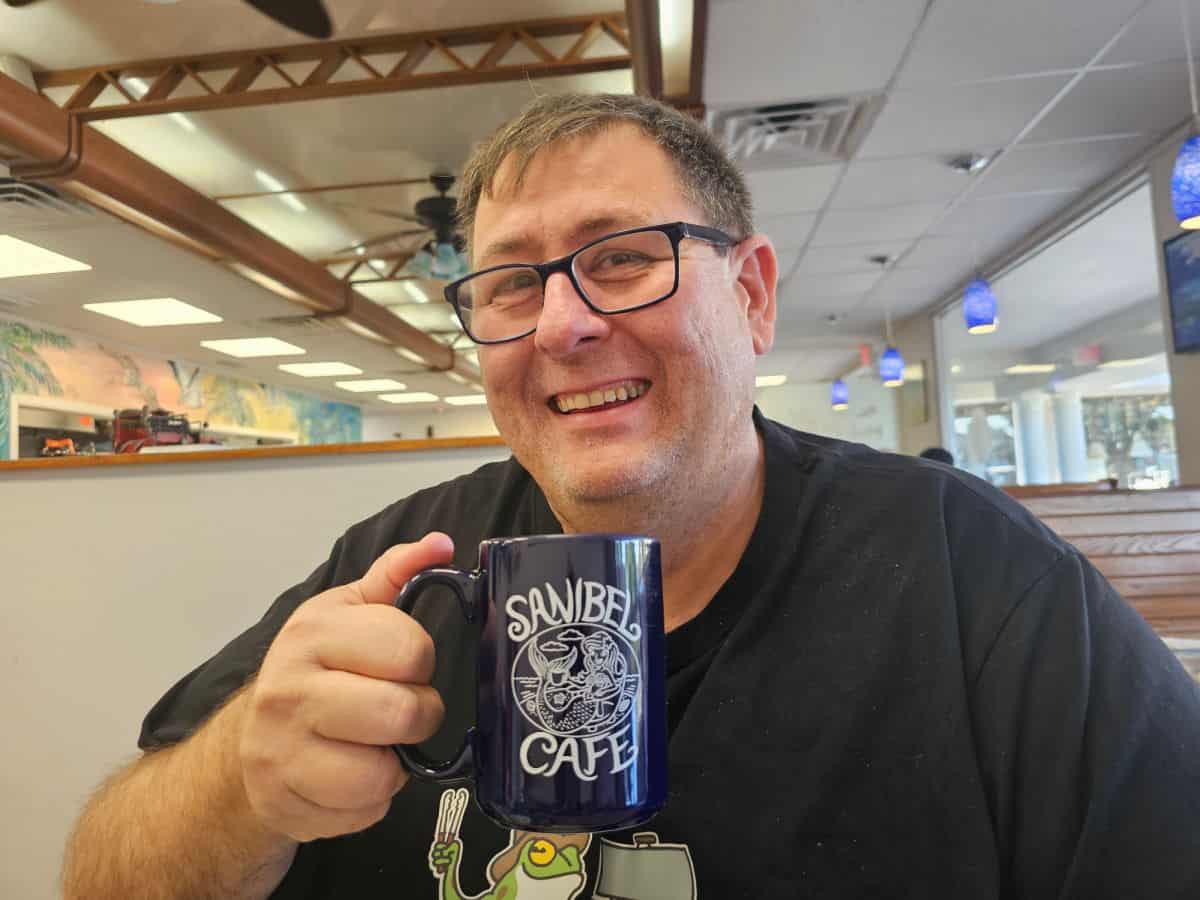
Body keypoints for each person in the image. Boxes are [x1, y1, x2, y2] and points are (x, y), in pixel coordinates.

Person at [61, 93, 1200, 899]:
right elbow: (102, 872)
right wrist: (239, 792)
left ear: (751, 297)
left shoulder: (974, 582)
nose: (563, 323)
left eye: (622, 257)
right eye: (511, 281)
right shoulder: (402, 566)